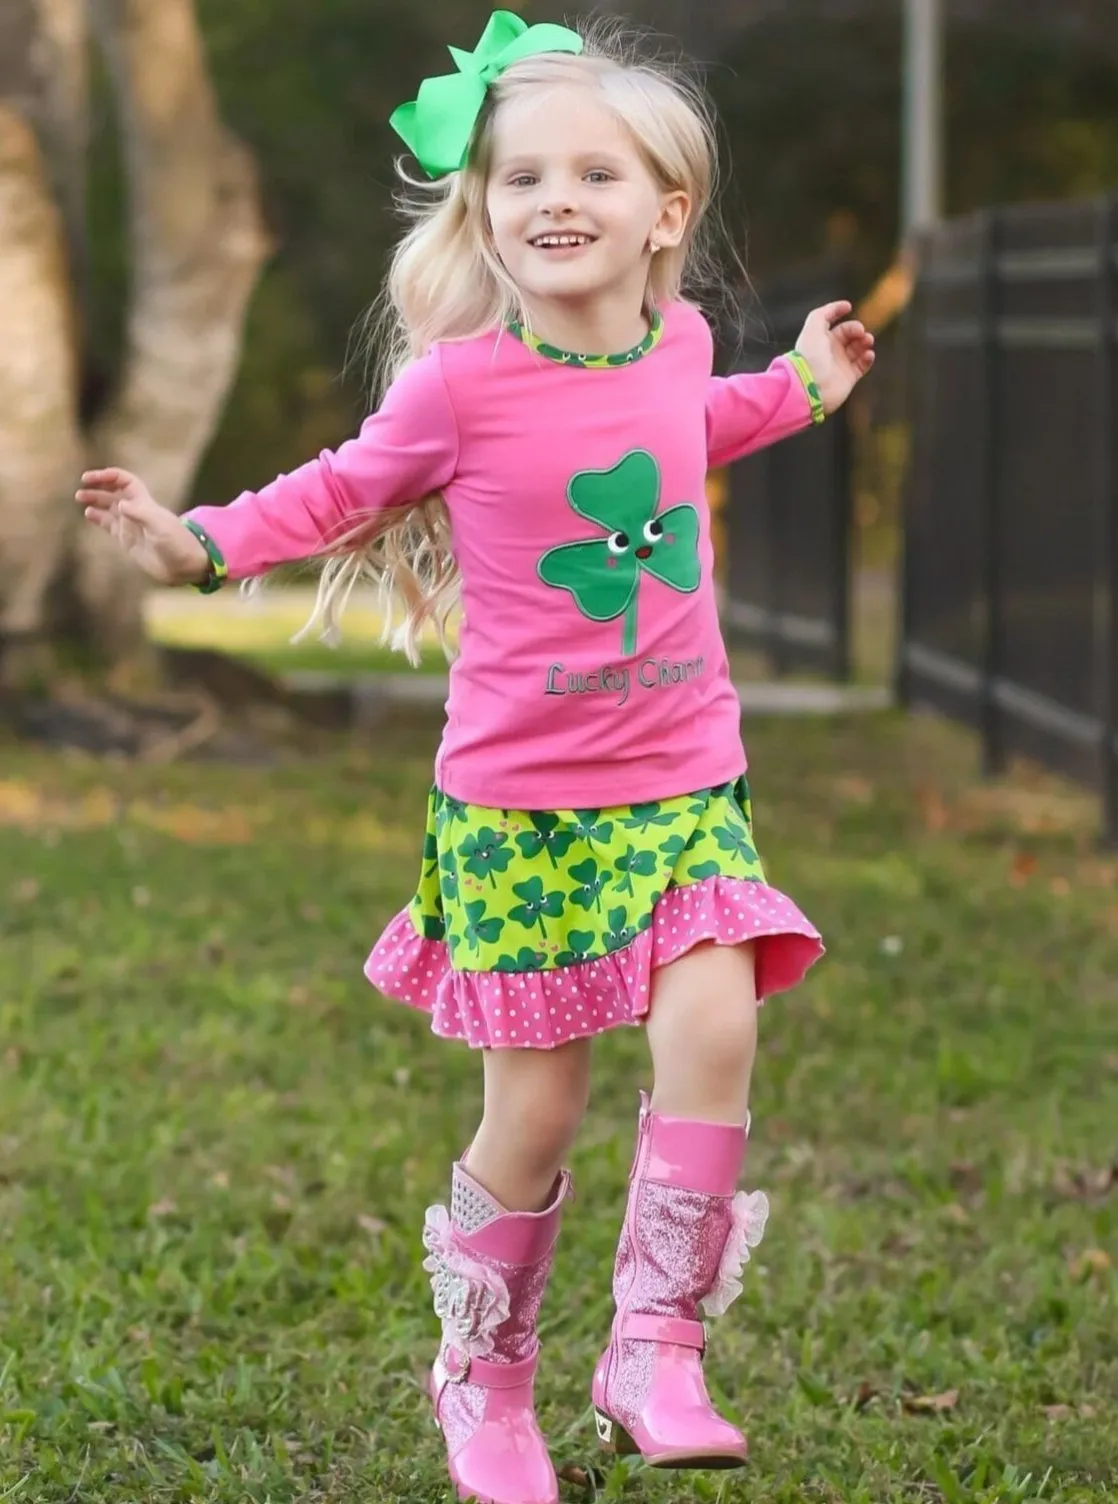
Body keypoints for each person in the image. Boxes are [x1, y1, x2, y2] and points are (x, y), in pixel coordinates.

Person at [77, 12, 874, 1504]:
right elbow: (338, 490)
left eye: (594, 171)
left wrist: (806, 391)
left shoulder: (685, 336)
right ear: (484, 213)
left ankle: (652, 1344)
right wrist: (194, 544)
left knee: (714, 1026)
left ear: (666, 215)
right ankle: (483, 1379)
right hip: (518, 813)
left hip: (686, 782)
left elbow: (687, 419)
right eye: (520, 178)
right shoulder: (458, 385)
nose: (554, 198)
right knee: (540, 1110)